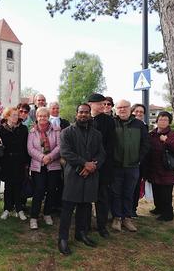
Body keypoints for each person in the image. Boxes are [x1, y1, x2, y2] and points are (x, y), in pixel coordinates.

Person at [58, 103, 106, 255]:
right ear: (76, 113)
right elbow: (66, 152)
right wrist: (84, 165)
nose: (83, 115)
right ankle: (63, 239)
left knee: (85, 207)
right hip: (73, 174)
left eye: (86, 112)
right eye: (81, 112)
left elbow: (102, 154)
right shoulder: (67, 132)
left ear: (90, 114)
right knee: (67, 208)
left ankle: (81, 233)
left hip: (91, 175)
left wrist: (93, 166)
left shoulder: (97, 134)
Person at [111, 100, 149, 232]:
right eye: (119, 107)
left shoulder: (139, 124)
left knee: (129, 193)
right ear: (116, 109)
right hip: (116, 166)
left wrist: (138, 159)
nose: (122, 109)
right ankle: (116, 218)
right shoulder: (112, 123)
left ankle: (127, 218)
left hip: (132, 166)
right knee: (116, 193)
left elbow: (145, 144)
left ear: (129, 109)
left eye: (125, 107)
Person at [145, 111, 174, 221]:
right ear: (157, 120)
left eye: (165, 119)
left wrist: (166, 141)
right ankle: (158, 208)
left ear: (169, 122)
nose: (163, 121)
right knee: (156, 191)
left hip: (167, 170)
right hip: (154, 169)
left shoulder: (172, 135)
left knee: (166, 194)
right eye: (161, 119)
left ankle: (167, 214)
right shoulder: (152, 134)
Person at [27, 107, 61, 229]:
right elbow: (30, 149)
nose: (42, 118)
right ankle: (34, 217)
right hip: (38, 166)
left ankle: (47, 213)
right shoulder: (32, 132)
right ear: (36, 117)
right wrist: (42, 157)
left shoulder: (56, 130)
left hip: (53, 165)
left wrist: (50, 157)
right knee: (39, 190)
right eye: (40, 116)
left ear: (48, 116)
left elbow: (59, 146)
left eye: (45, 116)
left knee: (52, 190)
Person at [87, 93, 115, 238]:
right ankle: (85, 224)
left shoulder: (109, 121)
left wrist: (97, 162)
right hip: (85, 166)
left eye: (105, 104)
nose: (103, 106)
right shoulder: (84, 118)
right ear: (91, 104)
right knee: (85, 197)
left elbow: (110, 145)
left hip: (103, 166)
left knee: (102, 197)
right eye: (100, 103)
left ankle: (102, 226)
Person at [0, 107, 29, 221]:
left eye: (17, 115)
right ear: (7, 116)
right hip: (6, 162)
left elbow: (26, 146)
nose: (17, 117)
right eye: (14, 115)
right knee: (8, 186)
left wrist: (27, 162)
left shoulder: (23, 129)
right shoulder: (1, 129)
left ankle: (19, 209)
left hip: (20, 161)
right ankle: (7, 209)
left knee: (18, 186)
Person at [48, 101, 70, 212]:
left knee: (61, 181)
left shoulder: (65, 122)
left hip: (62, 157)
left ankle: (60, 204)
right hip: (48, 156)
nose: (56, 110)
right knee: (50, 183)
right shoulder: (44, 121)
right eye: (53, 108)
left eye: (57, 108)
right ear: (49, 109)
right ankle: (49, 205)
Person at [130, 103, 148, 217]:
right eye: (136, 111)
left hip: (139, 161)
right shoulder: (127, 124)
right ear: (132, 112)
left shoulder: (144, 126)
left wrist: (139, 158)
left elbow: (145, 144)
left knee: (136, 186)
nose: (139, 113)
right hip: (127, 161)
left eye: (141, 112)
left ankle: (133, 209)